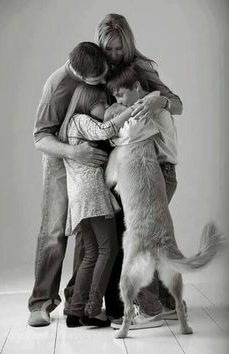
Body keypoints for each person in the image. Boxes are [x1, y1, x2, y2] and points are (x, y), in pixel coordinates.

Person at [64, 13, 183, 326]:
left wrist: (159, 100)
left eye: (119, 48)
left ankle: (145, 306)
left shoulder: (138, 71)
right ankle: (88, 304)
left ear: (127, 44)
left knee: (136, 237)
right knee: (111, 236)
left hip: (148, 170)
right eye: (109, 49)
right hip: (116, 170)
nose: (114, 55)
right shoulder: (97, 71)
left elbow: (175, 104)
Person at [28, 42, 111, 327]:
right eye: (97, 80)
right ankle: (40, 303)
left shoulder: (91, 63)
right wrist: (76, 153)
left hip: (87, 159)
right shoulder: (56, 88)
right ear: (80, 74)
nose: (103, 82)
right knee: (54, 230)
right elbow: (40, 138)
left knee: (86, 227)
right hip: (61, 159)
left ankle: (77, 301)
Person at [104, 62, 185, 329]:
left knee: (145, 241)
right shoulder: (150, 103)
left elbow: (126, 135)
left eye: (121, 95)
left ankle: (149, 311)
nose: (119, 101)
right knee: (156, 241)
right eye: (115, 97)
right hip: (161, 172)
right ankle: (172, 306)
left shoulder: (148, 104)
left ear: (137, 87)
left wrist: (115, 115)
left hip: (158, 173)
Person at [58, 83, 146, 327]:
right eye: (102, 103)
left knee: (92, 254)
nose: (107, 107)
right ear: (87, 102)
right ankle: (93, 309)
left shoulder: (70, 125)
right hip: (94, 196)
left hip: (80, 199)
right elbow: (107, 129)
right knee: (109, 249)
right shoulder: (81, 120)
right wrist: (132, 109)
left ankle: (75, 310)